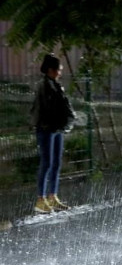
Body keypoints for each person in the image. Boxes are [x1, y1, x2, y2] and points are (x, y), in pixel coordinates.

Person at [30, 54, 75, 214]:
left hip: (56, 129)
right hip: (46, 129)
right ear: (50, 70)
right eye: (58, 69)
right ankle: (40, 199)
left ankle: (52, 196)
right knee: (47, 163)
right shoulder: (43, 86)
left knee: (56, 163)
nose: (60, 72)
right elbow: (46, 109)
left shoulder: (56, 85)